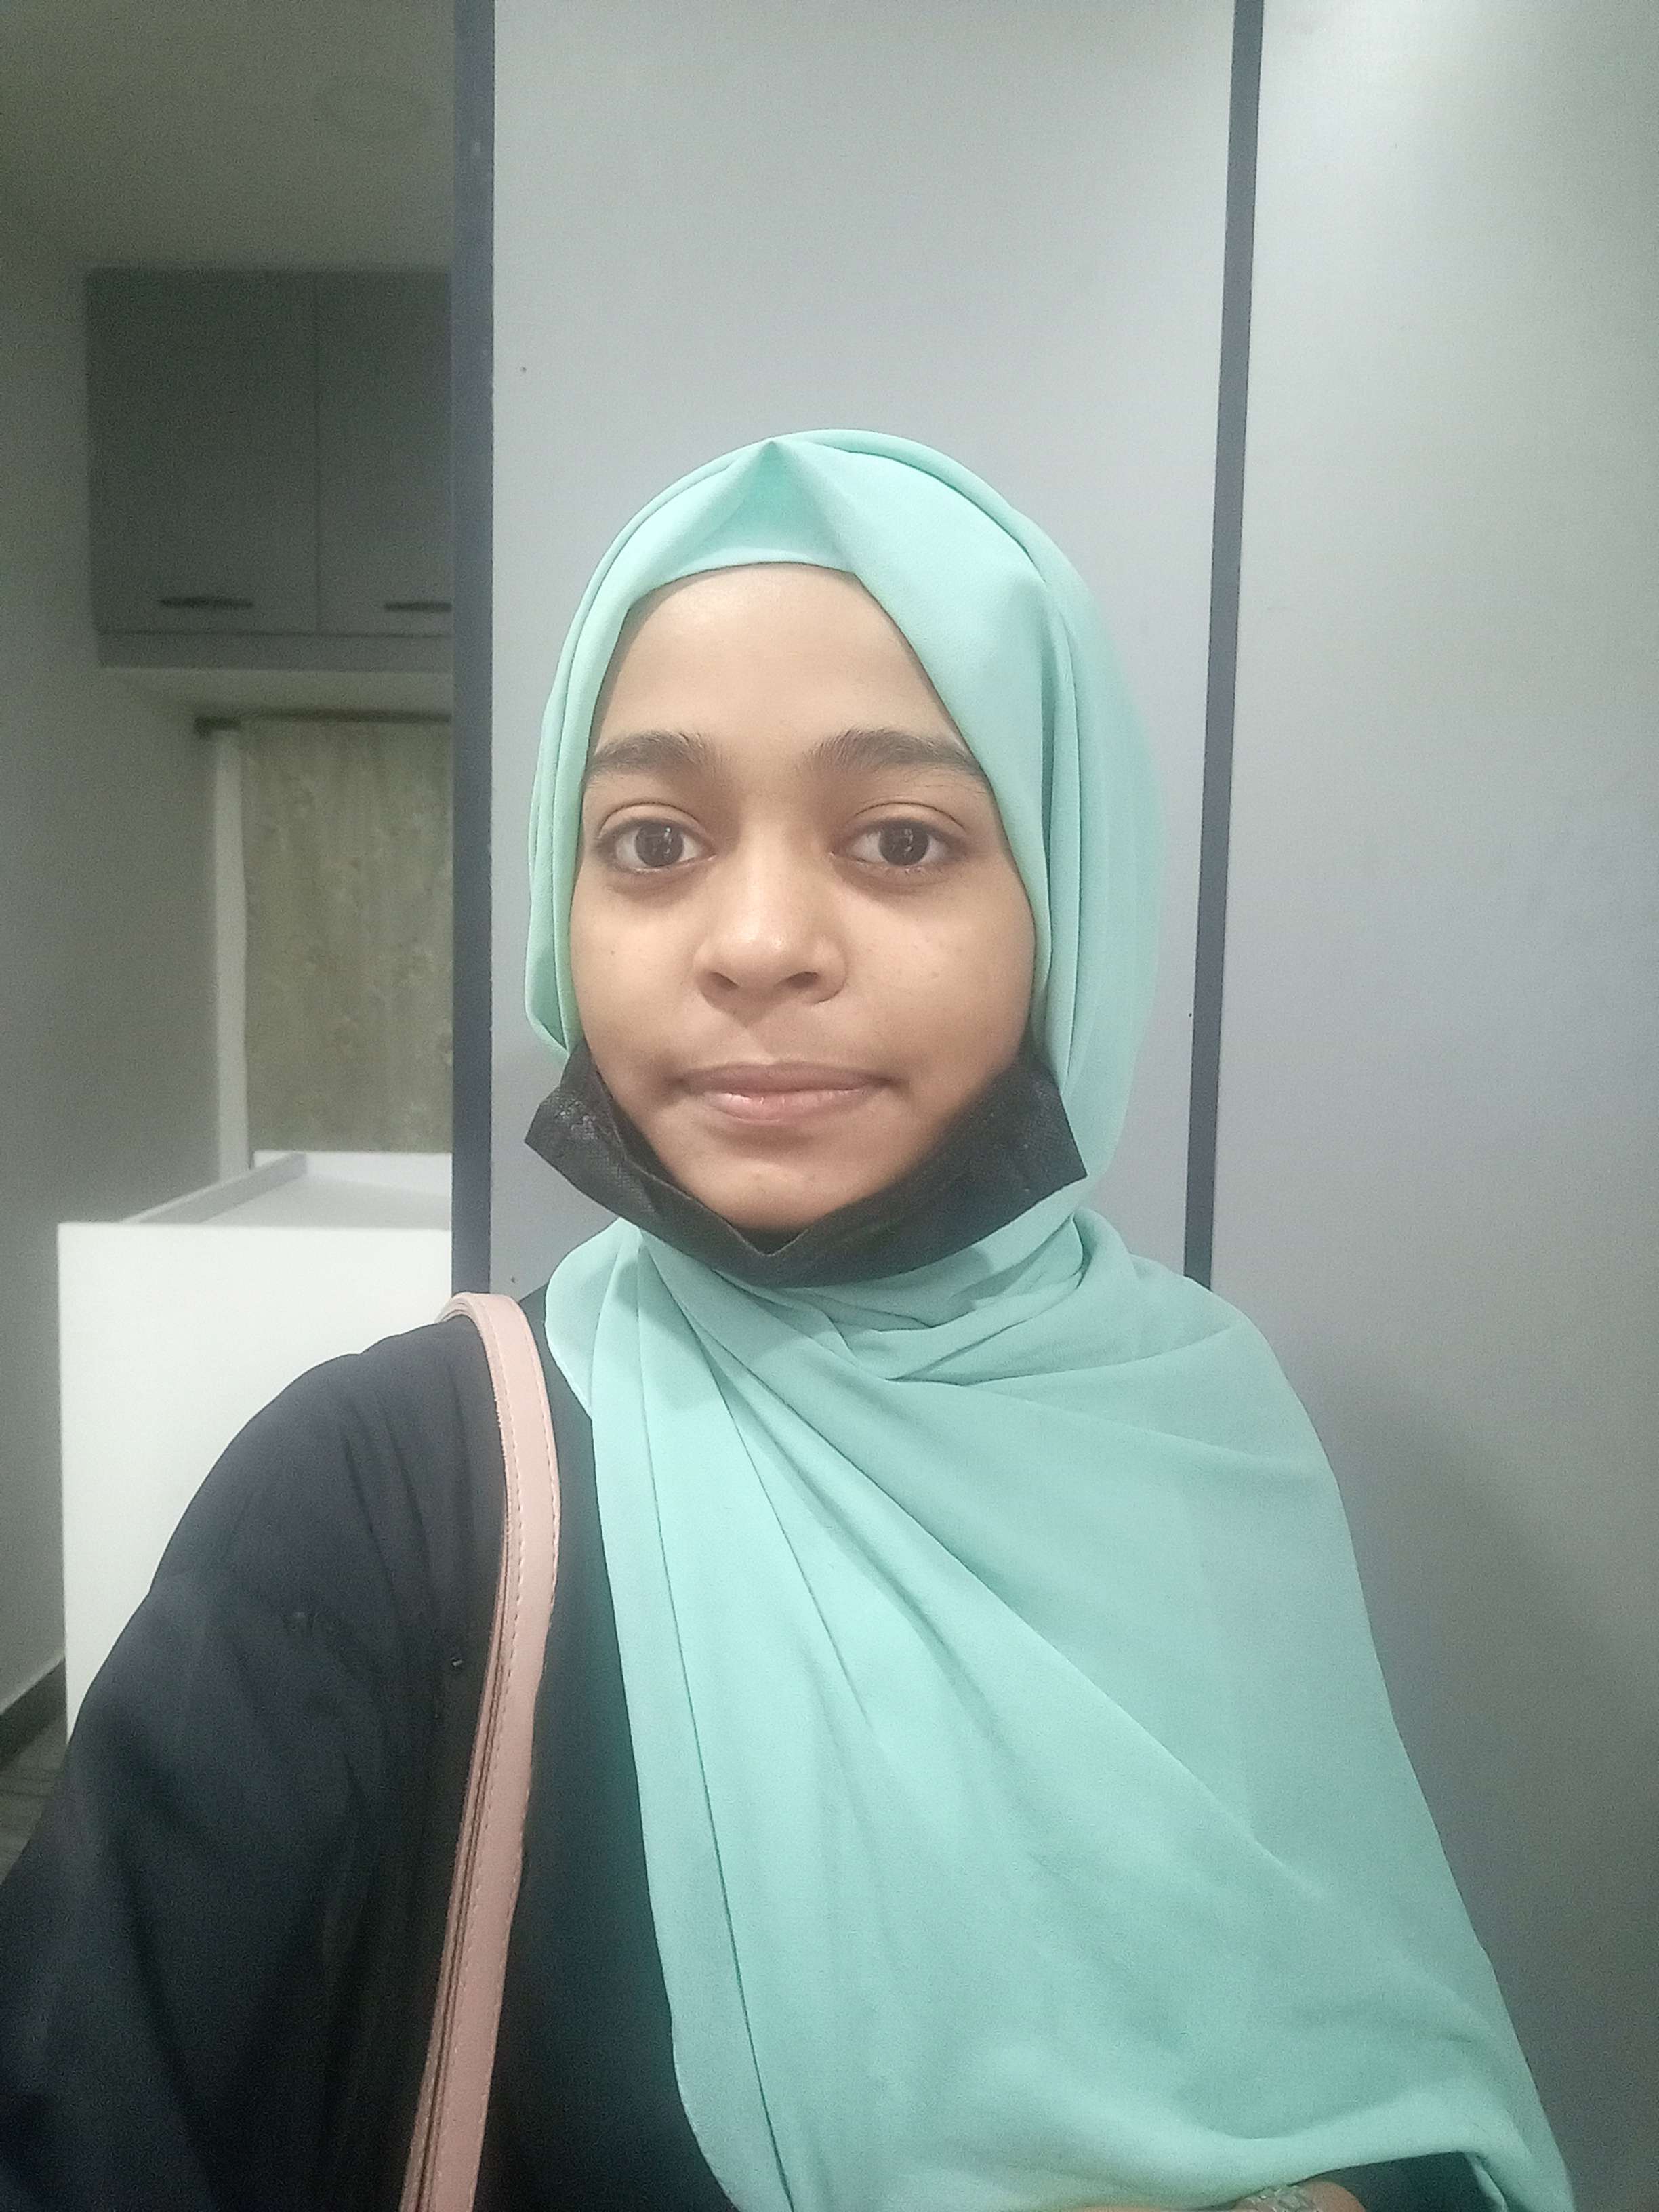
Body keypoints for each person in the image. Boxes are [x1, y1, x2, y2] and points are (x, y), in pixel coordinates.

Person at [0, 430, 1573, 2212]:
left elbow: (1385, 2072)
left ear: (1069, 910)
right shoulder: (380, 1496)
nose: (755, 943)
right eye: (653, 841)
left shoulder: (1208, 1432)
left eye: (902, 840)